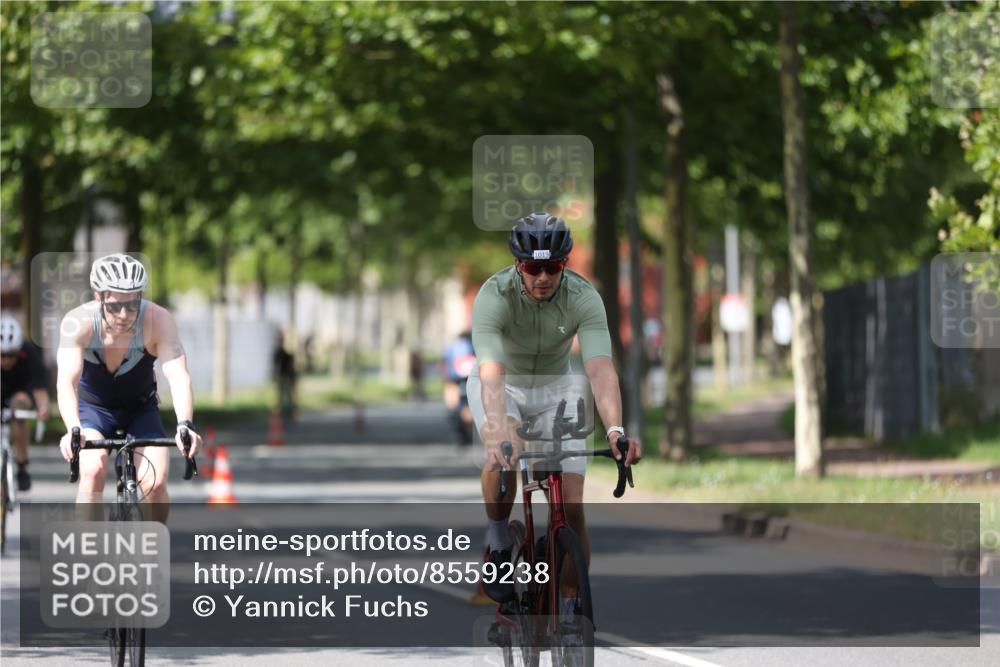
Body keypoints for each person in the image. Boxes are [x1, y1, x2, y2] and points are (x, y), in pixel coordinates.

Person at [469, 213, 642, 604]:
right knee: (502, 453)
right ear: (519, 266)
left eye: (552, 267)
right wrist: (498, 427)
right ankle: (498, 542)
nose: (543, 277)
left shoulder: (584, 297)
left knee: (572, 506)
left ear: (564, 265)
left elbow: (599, 369)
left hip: (557, 388)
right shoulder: (493, 295)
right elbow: (492, 372)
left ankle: (568, 606)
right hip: (503, 383)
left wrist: (615, 430)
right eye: (533, 267)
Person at [56, 254, 203, 521]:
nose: (124, 315)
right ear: (98, 297)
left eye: (133, 305)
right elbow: (66, 381)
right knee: (92, 472)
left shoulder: (158, 320)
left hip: (140, 409)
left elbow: (178, 375)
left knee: (155, 483)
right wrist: (72, 429)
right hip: (93, 410)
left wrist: (186, 424)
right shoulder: (78, 323)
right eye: (115, 307)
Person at [0, 315, 50, 491]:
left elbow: (39, 389)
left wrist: (43, 408)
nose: (5, 360)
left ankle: (22, 466)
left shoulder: (28, 352)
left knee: (19, 404)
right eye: (2, 355)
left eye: (10, 355)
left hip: (20, 393)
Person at [442, 330, 476, 446]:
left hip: (455, 381)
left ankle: (462, 434)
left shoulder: (452, 347)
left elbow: (445, 366)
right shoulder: (474, 346)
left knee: (455, 409)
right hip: (469, 380)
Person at [272, 330, 297, 422]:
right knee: (282, 395)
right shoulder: (278, 351)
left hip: (287, 375)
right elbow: (275, 365)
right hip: (282, 375)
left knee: (288, 395)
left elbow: (291, 363)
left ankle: (289, 413)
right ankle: (283, 413)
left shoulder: (286, 351)